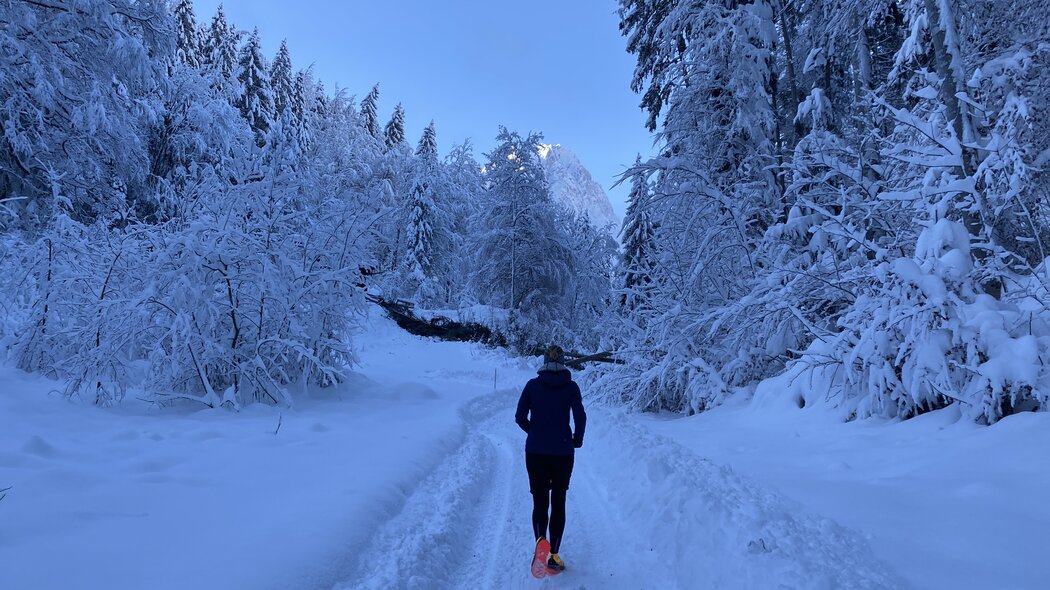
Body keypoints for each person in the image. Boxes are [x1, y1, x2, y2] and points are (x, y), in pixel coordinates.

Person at [514, 344, 586, 572]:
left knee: (539, 500)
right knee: (559, 501)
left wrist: (534, 432)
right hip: (563, 453)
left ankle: (539, 544)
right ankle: (554, 555)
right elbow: (580, 416)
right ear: (563, 361)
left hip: (535, 452)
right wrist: (577, 438)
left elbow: (519, 416)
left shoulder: (533, 385)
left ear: (544, 361)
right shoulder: (571, 387)